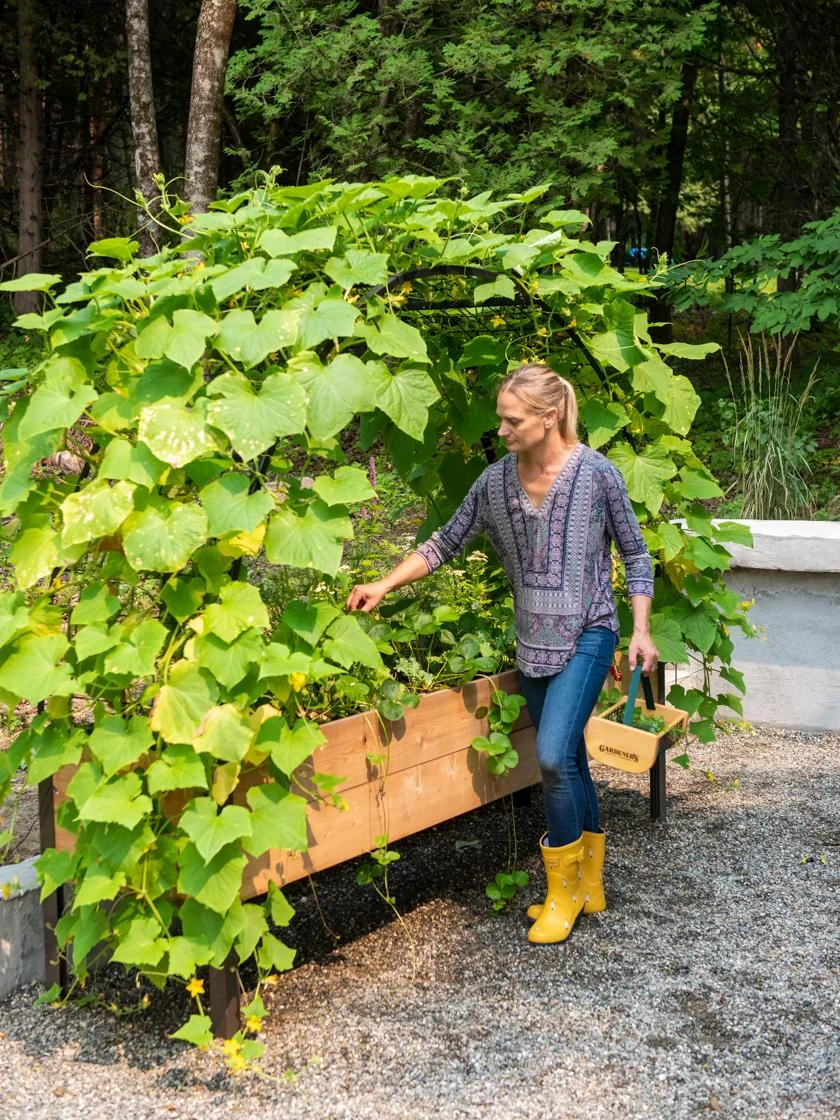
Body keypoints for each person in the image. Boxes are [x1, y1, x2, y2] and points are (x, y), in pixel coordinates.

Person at [346, 362, 658, 944]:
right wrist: (384, 584)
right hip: (532, 641)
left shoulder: (599, 475)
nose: (501, 429)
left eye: (512, 420)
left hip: (589, 633)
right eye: (500, 419)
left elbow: (637, 555)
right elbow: (444, 542)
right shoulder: (494, 484)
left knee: (550, 757)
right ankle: (589, 880)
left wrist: (639, 630)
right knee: (570, 758)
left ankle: (561, 894)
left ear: (548, 417)